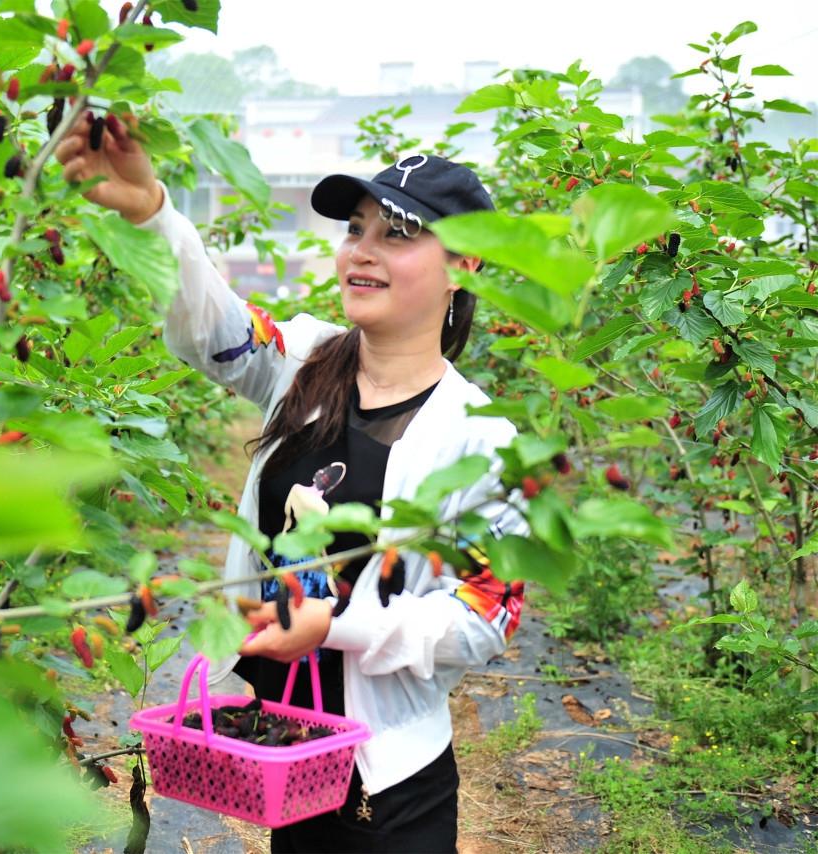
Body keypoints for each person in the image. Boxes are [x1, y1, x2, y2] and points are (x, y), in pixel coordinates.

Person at [57, 114, 528, 853]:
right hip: (286, 749)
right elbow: (215, 331)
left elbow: (485, 615)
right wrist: (153, 213)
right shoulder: (306, 360)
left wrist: (334, 629)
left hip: (388, 784)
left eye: (397, 234)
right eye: (356, 229)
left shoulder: (480, 438)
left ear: (467, 264)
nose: (362, 253)